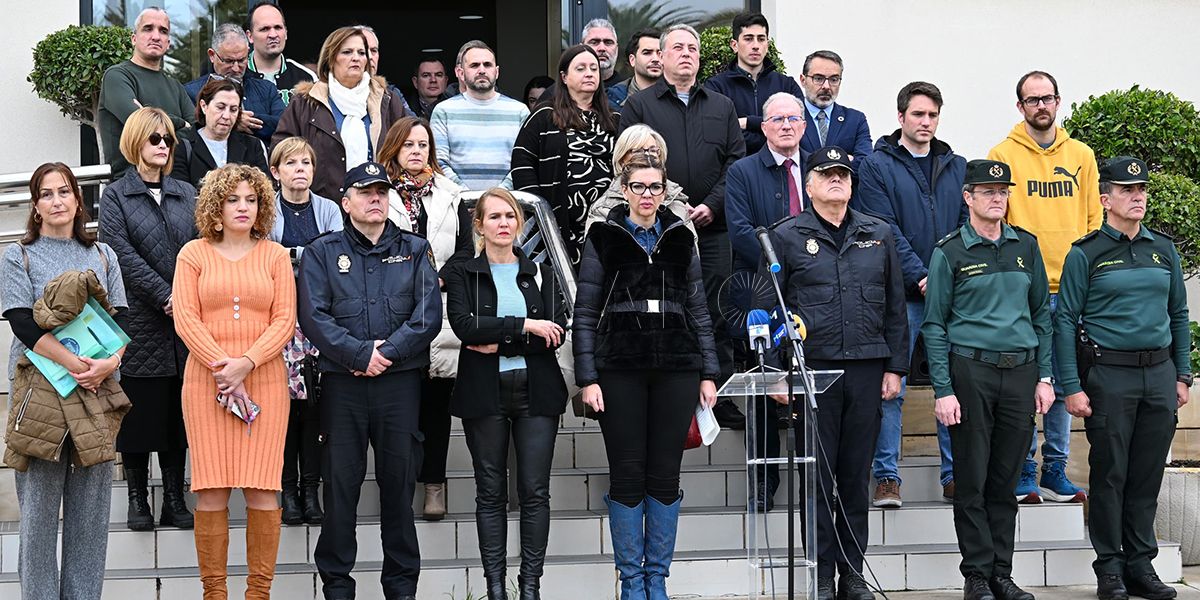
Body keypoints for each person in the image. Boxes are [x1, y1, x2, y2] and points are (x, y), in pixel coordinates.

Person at [759, 146, 908, 600]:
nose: (837, 180)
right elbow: (768, 310)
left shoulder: (878, 233)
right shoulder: (786, 237)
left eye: (843, 173)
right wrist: (775, 373)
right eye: (827, 174)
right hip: (813, 372)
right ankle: (822, 574)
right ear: (809, 184)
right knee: (819, 479)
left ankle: (853, 573)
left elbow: (895, 307)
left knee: (855, 475)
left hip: (866, 369)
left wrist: (897, 367)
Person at [574, 154, 718, 600]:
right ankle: (631, 583)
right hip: (619, 368)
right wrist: (587, 376)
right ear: (624, 190)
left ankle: (657, 581)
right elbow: (584, 311)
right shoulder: (603, 235)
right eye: (638, 187)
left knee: (664, 474)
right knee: (627, 474)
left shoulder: (680, 236)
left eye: (655, 187)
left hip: (677, 367)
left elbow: (698, 308)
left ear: (664, 191)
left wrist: (709, 370)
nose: (647, 196)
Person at [298, 162, 442, 600]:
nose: (375, 198)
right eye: (365, 192)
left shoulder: (416, 249)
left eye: (381, 191)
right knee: (340, 488)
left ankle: (401, 589)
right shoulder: (322, 252)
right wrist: (361, 355)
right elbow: (314, 317)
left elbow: (427, 315)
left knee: (399, 487)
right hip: (342, 386)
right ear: (346, 202)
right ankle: (337, 587)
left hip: (399, 385)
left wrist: (385, 354)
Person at [1057, 156, 1190, 600]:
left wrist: (1183, 374)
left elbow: (1178, 314)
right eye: (1127, 189)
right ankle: (1109, 569)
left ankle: (1140, 565)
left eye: (1142, 189)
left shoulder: (1163, 249)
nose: (1138, 196)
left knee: (1147, 474)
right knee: (1110, 474)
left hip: (1159, 374)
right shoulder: (1086, 253)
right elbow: (1065, 321)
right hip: (1109, 375)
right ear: (1105, 198)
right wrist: (1071, 386)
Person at [922, 159, 1053, 600]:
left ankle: (1002, 571)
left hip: (1020, 372)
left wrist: (1045, 376)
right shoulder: (950, 252)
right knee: (973, 478)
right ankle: (976, 574)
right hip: (970, 371)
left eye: (1002, 191)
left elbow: (1041, 316)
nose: (997, 198)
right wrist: (943, 388)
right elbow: (935, 324)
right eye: (987, 191)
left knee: (1006, 479)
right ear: (968, 198)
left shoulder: (1026, 247)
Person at [2, 162, 129, 600]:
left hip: (96, 393)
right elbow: (22, 323)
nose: (57, 201)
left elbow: (121, 321)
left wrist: (109, 364)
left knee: (91, 518)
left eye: (64, 192)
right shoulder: (17, 255)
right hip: (41, 396)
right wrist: (77, 365)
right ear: (36, 206)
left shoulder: (103, 255)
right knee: (38, 515)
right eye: (47, 194)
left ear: (78, 199)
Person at [172, 163, 297, 599]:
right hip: (206, 385)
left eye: (252, 199)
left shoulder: (276, 255)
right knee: (211, 491)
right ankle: (215, 594)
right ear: (215, 205)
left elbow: (285, 321)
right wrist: (224, 369)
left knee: (264, 489)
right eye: (232, 199)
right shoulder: (192, 254)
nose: (243, 207)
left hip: (264, 382)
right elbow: (186, 319)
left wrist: (246, 363)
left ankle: (258, 594)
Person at [443, 188, 569, 600]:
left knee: (535, 492)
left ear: (519, 224)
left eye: (510, 217)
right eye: (494, 217)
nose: (503, 224)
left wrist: (498, 335)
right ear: (478, 225)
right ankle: (495, 587)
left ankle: (530, 586)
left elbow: (556, 332)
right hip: (485, 394)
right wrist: (527, 327)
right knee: (490, 492)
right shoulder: (464, 273)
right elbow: (465, 327)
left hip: (538, 392)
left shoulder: (539, 272)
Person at [618, 23, 746, 429]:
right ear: (662, 56)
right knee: (665, 307)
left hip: (713, 228)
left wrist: (711, 204)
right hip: (660, 228)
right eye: (677, 48)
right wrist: (672, 206)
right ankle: (672, 393)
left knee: (716, 309)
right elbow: (633, 162)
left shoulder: (722, 106)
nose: (686, 53)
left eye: (693, 48)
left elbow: (736, 163)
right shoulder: (640, 106)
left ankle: (719, 395)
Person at [987, 70, 1100, 505]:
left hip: (1071, 290)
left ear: (1058, 101)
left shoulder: (1082, 156)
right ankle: (1022, 471)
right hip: (1026, 290)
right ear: (1020, 107)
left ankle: (1055, 469)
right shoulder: (1003, 153)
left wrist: (1085, 274)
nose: (1041, 106)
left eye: (1047, 98)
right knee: (1022, 385)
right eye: (1032, 100)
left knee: (1063, 381)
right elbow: (1002, 221)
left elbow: (1094, 219)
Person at [852, 81, 966, 508]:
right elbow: (884, 229)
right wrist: (923, 276)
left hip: (949, 294)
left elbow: (962, 227)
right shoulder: (877, 166)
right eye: (918, 114)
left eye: (933, 115)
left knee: (949, 383)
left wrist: (945, 278)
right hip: (901, 294)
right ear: (901, 117)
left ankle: (954, 474)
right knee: (892, 387)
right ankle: (887, 477)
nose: (926, 122)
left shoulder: (956, 165)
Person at [99, 107, 199, 532]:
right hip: (140, 319)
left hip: (184, 321)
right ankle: (138, 498)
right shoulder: (116, 195)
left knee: (178, 414)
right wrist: (165, 295)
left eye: (168, 140)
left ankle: (175, 499)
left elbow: (201, 248)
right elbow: (119, 255)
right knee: (139, 414)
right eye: (155, 139)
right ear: (136, 141)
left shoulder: (185, 192)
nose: (163, 146)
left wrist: (187, 297)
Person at [376, 117, 473, 522]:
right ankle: (398, 488)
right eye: (409, 144)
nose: (417, 151)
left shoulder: (452, 195)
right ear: (394, 148)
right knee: (399, 410)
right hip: (391, 309)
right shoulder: (376, 192)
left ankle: (434, 484)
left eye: (423, 144)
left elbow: (468, 250)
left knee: (435, 408)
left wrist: (440, 278)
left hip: (440, 310)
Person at [723, 91, 807, 511]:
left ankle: (813, 484)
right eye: (777, 119)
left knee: (811, 383)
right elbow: (739, 231)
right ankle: (763, 484)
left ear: (804, 126)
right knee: (762, 388)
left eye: (794, 118)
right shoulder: (743, 171)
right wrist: (790, 259)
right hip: (761, 291)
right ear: (765, 127)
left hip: (815, 295)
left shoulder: (821, 168)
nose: (787, 125)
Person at [265, 136, 343, 526]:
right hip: (276, 322)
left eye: (307, 163)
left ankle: (311, 492)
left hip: (317, 322)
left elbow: (335, 256)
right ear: (275, 172)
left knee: (313, 409)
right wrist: (302, 255)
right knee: (283, 410)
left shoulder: (328, 209)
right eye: (291, 163)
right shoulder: (266, 210)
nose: (301, 169)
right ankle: (287, 490)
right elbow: (263, 257)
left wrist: (291, 255)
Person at [511, 45, 618, 266]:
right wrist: (540, 212)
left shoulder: (615, 118)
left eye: (593, 68)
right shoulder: (544, 115)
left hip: (606, 224)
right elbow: (521, 162)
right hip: (557, 225)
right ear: (564, 77)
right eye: (580, 68)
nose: (589, 73)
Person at [274, 26, 408, 201]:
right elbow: (281, 151)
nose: (356, 58)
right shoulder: (305, 103)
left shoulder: (387, 100)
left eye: (361, 53)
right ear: (331, 59)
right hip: (323, 207)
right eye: (347, 52)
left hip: (379, 203)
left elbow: (406, 147)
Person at [98, 7, 194, 178]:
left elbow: (195, 131)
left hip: (175, 185)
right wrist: (180, 123)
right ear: (134, 38)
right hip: (131, 187)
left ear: (168, 43)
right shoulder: (117, 76)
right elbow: (140, 126)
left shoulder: (175, 86)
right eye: (148, 28)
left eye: (163, 31)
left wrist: (149, 115)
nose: (156, 36)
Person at [430, 40, 530, 190]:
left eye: (487, 65)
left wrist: (498, 196)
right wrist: (465, 196)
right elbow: (438, 162)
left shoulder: (520, 112)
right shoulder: (443, 111)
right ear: (461, 73)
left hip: (505, 206)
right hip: (457, 205)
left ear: (497, 72)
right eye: (474, 65)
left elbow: (524, 162)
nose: (482, 70)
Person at [703, 13, 804, 155]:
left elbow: (800, 127)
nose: (756, 46)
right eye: (748, 39)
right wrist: (773, 131)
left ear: (767, 45)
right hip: (735, 170)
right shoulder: (716, 87)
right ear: (734, 45)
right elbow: (719, 133)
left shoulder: (787, 85)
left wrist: (748, 122)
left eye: (761, 39)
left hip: (781, 168)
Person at [584, 123, 693, 238]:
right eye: (637, 151)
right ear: (621, 159)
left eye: (652, 150)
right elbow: (593, 254)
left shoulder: (677, 204)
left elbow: (692, 253)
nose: (646, 156)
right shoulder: (603, 210)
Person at [184, 23, 285, 143]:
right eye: (229, 61)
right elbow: (189, 132)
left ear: (248, 52)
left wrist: (240, 119)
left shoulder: (267, 89)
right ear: (212, 55)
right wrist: (234, 121)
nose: (236, 68)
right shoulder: (191, 92)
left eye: (242, 60)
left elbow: (284, 125)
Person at [173, 78, 270, 189]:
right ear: (204, 106)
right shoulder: (182, 147)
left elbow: (264, 191)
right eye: (220, 107)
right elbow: (180, 196)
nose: (226, 116)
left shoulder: (253, 145)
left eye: (233, 109)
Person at [797, 50, 872, 160]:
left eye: (833, 79)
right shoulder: (790, 118)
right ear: (803, 80)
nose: (826, 86)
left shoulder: (855, 120)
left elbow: (866, 165)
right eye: (818, 78)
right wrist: (844, 160)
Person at [245, 1, 316, 105]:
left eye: (278, 27)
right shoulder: (237, 74)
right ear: (250, 36)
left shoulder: (307, 77)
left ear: (286, 33)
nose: (273, 35)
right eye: (265, 29)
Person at [356, 25, 419, 118]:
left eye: (374, 50)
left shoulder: (390, 93)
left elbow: (414, 125)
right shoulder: (327, 94)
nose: (370, 56)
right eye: (362, 51)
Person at [606, 28, 661, 109]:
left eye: (660, 53)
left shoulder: (677, 97)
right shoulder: (612, 99)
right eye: (647, 53)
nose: (656, 59)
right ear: (632, 60)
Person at [582, 18, 622, 87]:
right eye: (594, 42)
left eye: (608, 43)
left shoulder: (630, 92)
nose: (602, 48)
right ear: (581, 48)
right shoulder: (566, 90)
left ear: (617, 49)